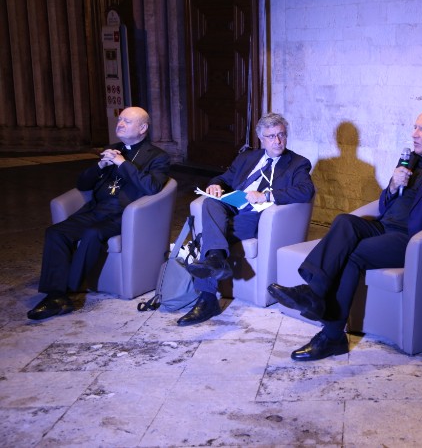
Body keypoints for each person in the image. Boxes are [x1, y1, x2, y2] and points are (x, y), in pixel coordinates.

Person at [267, 109, 422, 361]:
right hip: (384, 225)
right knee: (344, 221)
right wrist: (392, 185)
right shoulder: (409, 159)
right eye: (414, 127)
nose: (414, 134)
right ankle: (314, 291)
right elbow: (385, 203)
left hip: (410, 238)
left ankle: (331, 334)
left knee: (352, 255)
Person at [28, 106, 171, 320]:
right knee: (56, 232)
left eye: (127, 121)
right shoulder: (112, 149)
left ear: (143, 128)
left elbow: (152, 187)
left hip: (124, 215)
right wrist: (100, 166)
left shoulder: (158, 156)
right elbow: (82, 184)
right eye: (120, 119)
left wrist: (123, 164)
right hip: (97, 209)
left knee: (92, 234)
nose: (120, 124)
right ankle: (56, 295)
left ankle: (64, 293)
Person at [178, 112, 315, 326]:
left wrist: (266, 196)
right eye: (271, 136)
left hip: (257, 213)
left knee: (208, 236)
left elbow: (306, 191)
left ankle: (207, 296)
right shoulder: (247, 158)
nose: (277, 141)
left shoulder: (297, 163)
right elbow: (223, 178)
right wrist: (215, 185)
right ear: (261, 138)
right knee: (210, 203)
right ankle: (216, 259)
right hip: (234, 204)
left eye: (281, 135)